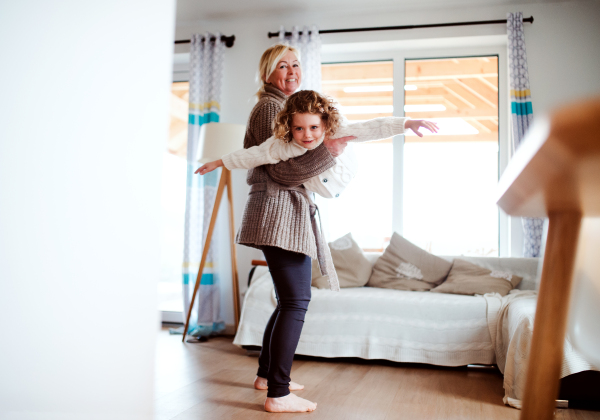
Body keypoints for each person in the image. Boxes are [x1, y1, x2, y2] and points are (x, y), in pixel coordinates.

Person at [195, 90, 439, 194]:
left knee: (352, 136)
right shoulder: (283, 145)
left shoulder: (336, 131)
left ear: (324, 124)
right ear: (289, 127)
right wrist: (220, 161)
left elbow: (372, 127)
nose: (307, 135)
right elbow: (253, 154)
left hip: (344, 174)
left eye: (314, 128)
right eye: (299, 129)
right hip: (321, 188)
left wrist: (405, 124)